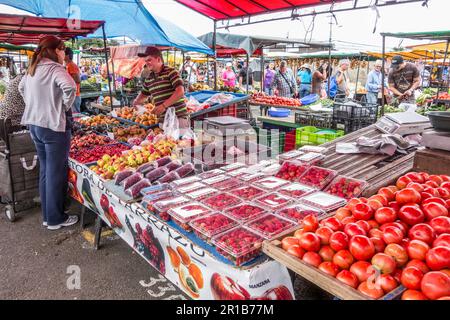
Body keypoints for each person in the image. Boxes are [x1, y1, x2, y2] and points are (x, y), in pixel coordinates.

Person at [19, 35, 78, 230]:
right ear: (54, 50)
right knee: (56, 172)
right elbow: (70, 86)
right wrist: (62, 106)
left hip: (34, 125)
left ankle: (48, 215)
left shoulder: (32, 69)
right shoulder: (54, 68)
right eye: (62, 49)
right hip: (53, 127)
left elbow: (21, 88)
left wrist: (35, 103)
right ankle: (55, 219)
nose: (63, 53)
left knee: (46, 170)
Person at [133, 46, 188, 128]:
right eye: (145, 61)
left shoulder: (171, 72)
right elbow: (143, 95)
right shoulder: (149, 79)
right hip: (163, 121)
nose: (147, 63)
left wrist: (163, 106)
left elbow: (180, 92)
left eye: (149, 60)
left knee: (181, 140)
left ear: (158, 59)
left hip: (178, 118)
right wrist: (136, 102)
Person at [64, 48, 81, 113]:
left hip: (74, 95)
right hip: (71, 94)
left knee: (75, 115)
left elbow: (78, 80)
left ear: (67, 56)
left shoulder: (71, 65)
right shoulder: (67, 65)